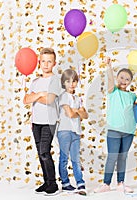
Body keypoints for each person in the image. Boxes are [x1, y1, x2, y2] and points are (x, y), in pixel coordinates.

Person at [94, 57, 136, 193]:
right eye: (122, 77)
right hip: (114, 130)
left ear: (130, 82)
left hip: (129, 131)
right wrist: (109, 66)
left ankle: (121, 182)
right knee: (112, 156)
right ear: (118, 78)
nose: (124, 81)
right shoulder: (113, 92)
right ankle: (106, 184)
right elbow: (110, 81)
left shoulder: (132, 96)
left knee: (123, 156)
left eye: (127, 79)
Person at [23, 47, 61, 196]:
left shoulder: (55, 80)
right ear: (39, 62)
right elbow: (26, 99)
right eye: (43, 61)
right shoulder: (36, 81)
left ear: (54, 63)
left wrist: (37, 97)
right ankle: (46, 182)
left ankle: (53, 184)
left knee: (45, 151)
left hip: (49, 121)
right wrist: (39, 94)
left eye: (49, 61)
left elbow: (50, 100)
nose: (46, 64)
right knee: (40, 153)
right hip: (36, 122)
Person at [57, 69, 88, 196]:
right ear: (64, 83)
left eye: (74, 81)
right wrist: (78, 111)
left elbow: (85, 115)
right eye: (68, 81)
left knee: (76, 159)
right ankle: (65, 183)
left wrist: (77, 111)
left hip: (76, 131)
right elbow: (69, 114)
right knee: (64, 159)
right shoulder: (63, 96)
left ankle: (80, 183)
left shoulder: (77, 98)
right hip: (64, 130)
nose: (71, 84)